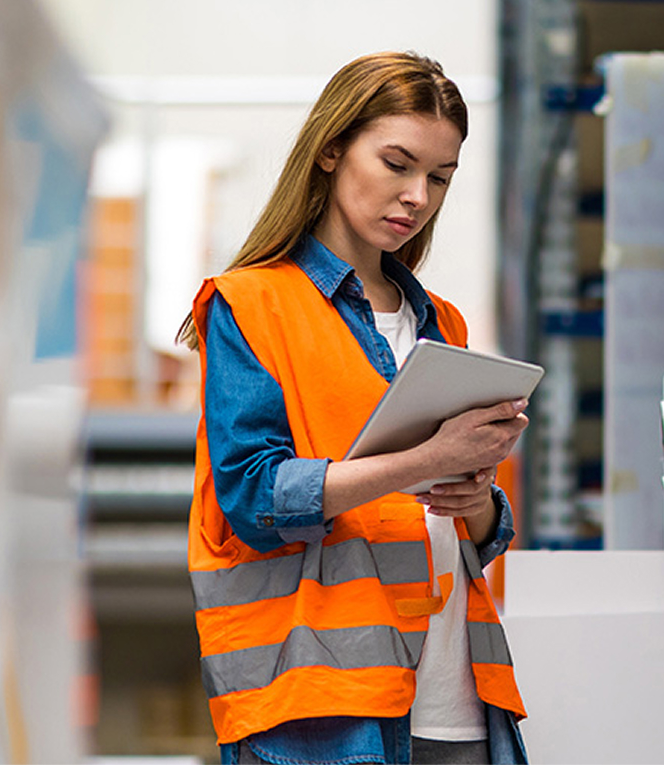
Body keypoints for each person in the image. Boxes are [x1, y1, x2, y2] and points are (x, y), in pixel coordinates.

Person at [177, 51, 531, 765]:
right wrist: (427, 460)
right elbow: (255, 498)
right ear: (332, 150)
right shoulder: (251, 304)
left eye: (438, 177)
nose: (418, 196)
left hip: (461, 697)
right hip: (322, 713)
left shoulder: (445, 326)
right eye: (397, 163)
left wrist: (473, 496)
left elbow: (475, 533)